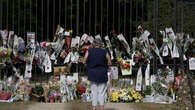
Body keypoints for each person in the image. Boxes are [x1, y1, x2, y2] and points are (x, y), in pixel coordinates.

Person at [83, 39, 112, 110]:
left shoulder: (89, 51)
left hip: (92, 73)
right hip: (102, 73)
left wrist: (89, 64)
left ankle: (94, 108)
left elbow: (84, 60)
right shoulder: (105, 52)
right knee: (101, 92)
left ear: (93, 44)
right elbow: (109, 63)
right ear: (101, 44)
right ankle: (101, 108)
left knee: (93, 92)